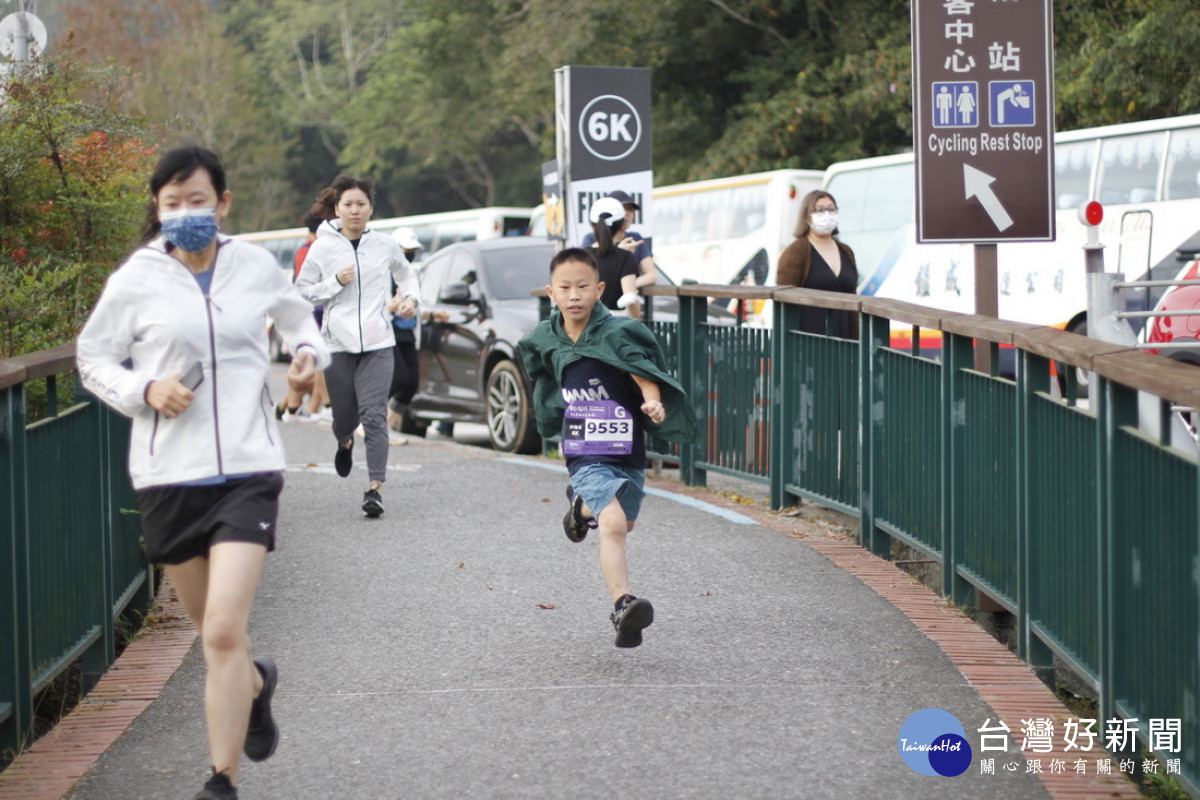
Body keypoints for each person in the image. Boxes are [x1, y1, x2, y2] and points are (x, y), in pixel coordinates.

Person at [76, 146, 330, 800]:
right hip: (167, 474)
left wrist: (306, 356)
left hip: (248, 468)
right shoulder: (137, 277)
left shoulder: (252, 264)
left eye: (197, 201)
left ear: (223, 202)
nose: (184, 213)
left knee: (221, 629)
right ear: (157, 209)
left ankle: (220, 782)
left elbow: (300, 319)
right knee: (212, 633)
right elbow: (92, 357)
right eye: (170, 203)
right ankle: (253, 684)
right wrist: (144, 390)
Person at [518, 248, 699, 648]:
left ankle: (579, 507)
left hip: (627, 449)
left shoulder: (617, 334)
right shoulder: (547, 338)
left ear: (600, 289)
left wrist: (652, 400)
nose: (574, 295)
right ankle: (623, 606)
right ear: (551, 292)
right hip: (584, 450)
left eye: (583, 286)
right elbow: (540, 371)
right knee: (614, 524)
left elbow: (643, 371)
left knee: (626, 523)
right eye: (565, 288)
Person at [295, 175, 419, 518]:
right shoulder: (322, 248)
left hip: (379, 342)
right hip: (337, 344)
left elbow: (407, 275)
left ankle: (374, 489)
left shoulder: (384, 245)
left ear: (371, 208)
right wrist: (334, 282)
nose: (355, 210)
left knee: (374, 415)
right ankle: (344, 441)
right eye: (348, 204)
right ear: (337, 209)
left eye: (361, 204)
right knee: (344, 418)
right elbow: (301, 291)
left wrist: (410, 299)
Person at [776, 190, 859, 338]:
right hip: (810, 343)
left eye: (831, 209)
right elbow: (784, 302)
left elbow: (854, 297)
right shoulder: (796, 252)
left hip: (846, 342)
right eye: (820, 210)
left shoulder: (846, 251)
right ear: (807, 216)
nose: (827, 215)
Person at [276, 210, 331, 421]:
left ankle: (286, 409)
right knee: (313, 360)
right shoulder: (307, 251)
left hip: (315, 310)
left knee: (309, 365)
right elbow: (304, 283)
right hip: (309, 311)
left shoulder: (310, 249)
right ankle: (322, 406)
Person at [385, 227, 422, 443]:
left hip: (408, 332)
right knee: (398, 377)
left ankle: (387, 427)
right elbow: (372, 304)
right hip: (388, 332)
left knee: (412, 382)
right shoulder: (382, 271)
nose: (409, 253)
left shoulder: (410, 273)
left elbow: (418, 302)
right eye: (405, 249)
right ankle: (370, 419)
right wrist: (391, 306)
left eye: (412, 250)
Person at [585, 196, 642, 317]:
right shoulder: (625, 257)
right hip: (615, 329)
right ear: (622, 225)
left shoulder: (579, 257)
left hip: (583, 327)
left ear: (591, 225)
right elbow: (630, 298)